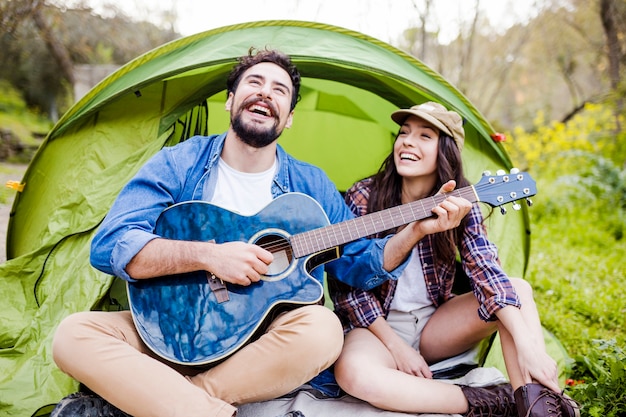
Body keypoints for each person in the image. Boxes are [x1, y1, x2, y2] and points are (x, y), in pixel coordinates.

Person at [49, 48, 438, 417]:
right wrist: (208, 256)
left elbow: (359, 263)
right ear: (231, 100)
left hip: (258, 349)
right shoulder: (180, 162)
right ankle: (201, 408)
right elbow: (111, 243)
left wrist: (415, 230)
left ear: (288, 118)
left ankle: (169, 398)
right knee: (73, 335)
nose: (265, 93)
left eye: (279, 90)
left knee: (323, 330)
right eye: (254, 83)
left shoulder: (311, 186)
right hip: (168, 332)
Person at [328, 102, 580, 417]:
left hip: (436, 326)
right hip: (376, 329)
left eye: (424, 136)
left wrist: (527, 343)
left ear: (445, 151)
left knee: (517, 289)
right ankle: (498, 400)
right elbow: (346, 286)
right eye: (404, 133)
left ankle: (540, 408)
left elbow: (486, 270)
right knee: (355, 375)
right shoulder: (364, 195)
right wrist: (397, 348)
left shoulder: (463, 200)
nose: (407, 141)